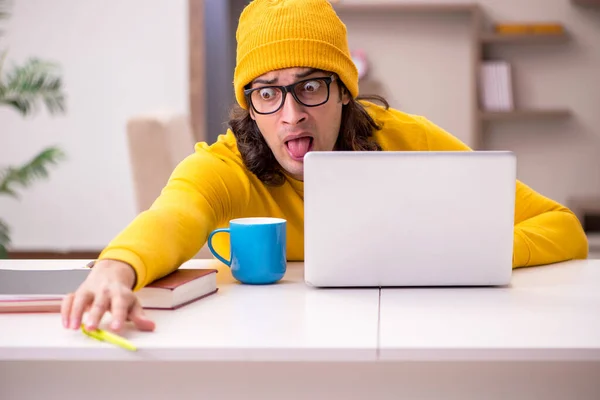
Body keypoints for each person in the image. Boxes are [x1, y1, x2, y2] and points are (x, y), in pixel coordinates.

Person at [61, 0, 589, 333]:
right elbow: (172, 215)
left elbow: (562, 227)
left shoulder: (407, 140)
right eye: (268, 93)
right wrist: (115, 268)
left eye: (311, 86)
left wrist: (471, 252)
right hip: (270, 348)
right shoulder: (226, 164)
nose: (292, 115)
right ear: (250, 105)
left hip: (416, 337)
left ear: (344, 92)